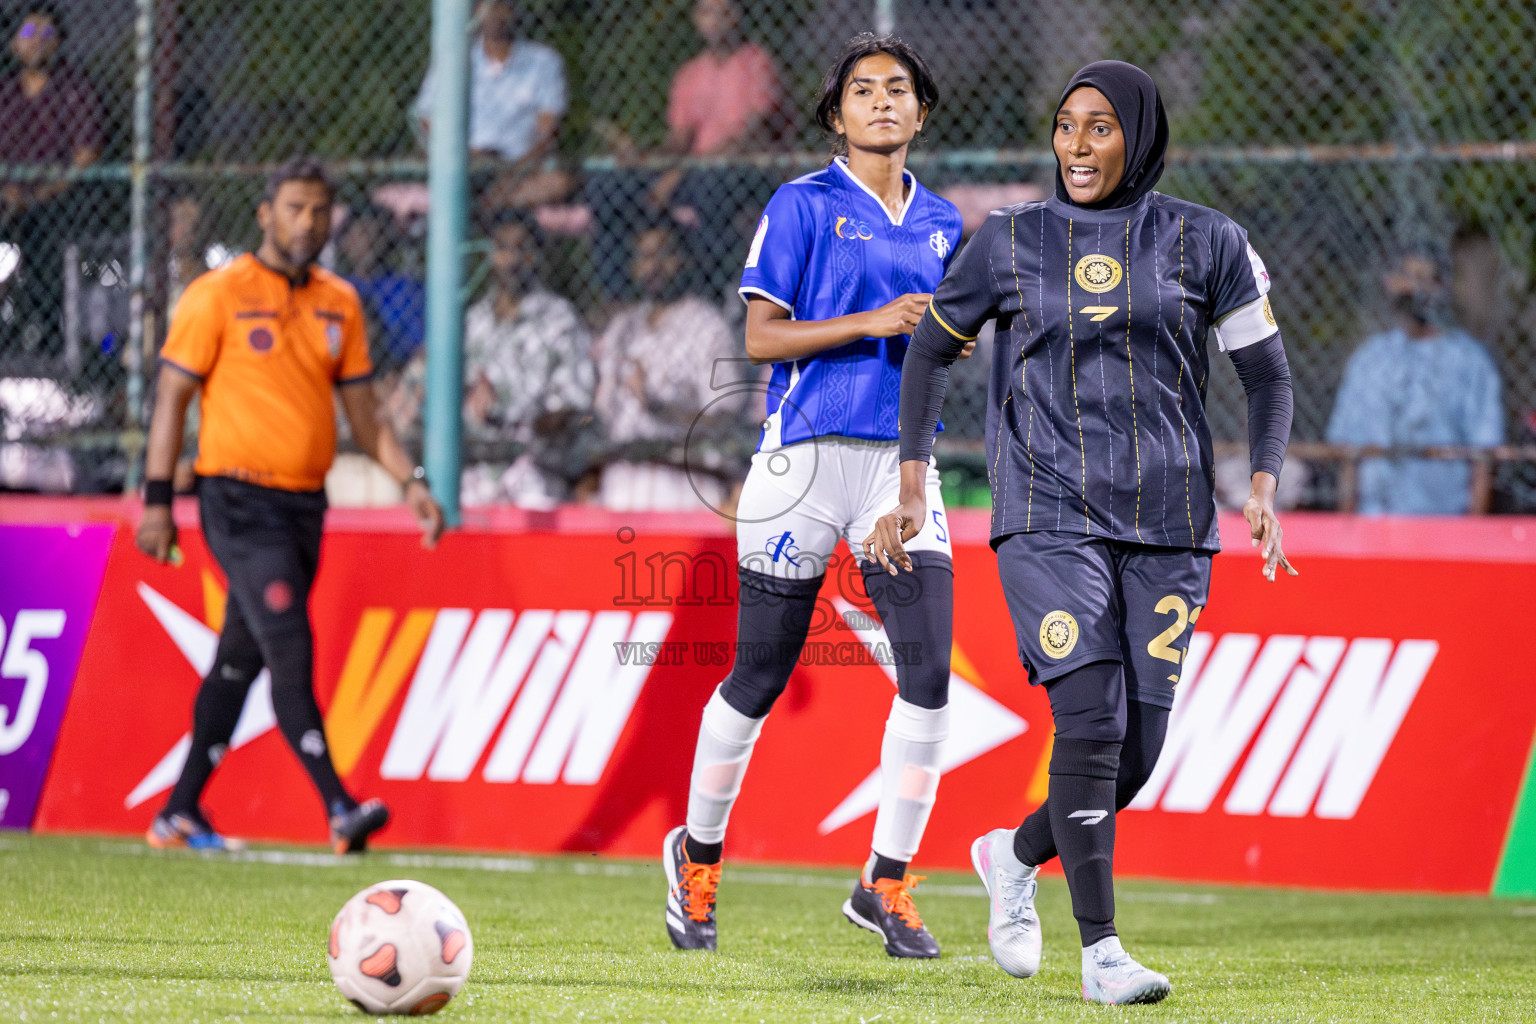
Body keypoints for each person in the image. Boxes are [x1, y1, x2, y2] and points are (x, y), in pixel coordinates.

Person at [867, 61, 1297, 1004]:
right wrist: (912, 481)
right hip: (1047, 512)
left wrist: (1261, 482)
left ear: (1138, 136)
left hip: (1173, 522)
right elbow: (932, 351)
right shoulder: (1011, 240)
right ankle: (1101, 952)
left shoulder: (1209, 240)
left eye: (1100, 128)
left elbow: (1267, 376)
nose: (1078, 145)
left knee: (1135, 749)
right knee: (1091, 717)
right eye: (1066, 125)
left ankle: (1011, 854)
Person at [663, 35, 965, 960]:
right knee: (761, 673)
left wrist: (913, 480)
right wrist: (871, 323)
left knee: (929, 673)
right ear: (836, 115)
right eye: (863, 91)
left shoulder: (947, 223)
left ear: (921, 113)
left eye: (899, 90)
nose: (883, 102)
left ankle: (887, 882)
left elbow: (940, 362)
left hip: (896, 468)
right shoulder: (801, 204)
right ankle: (696, 857)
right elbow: (758, 339)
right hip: (799, 457)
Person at [135, 158, 445, 853]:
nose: (310, 221)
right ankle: (338, 805)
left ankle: (178, 811)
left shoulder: (340, 301)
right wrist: (157, 500)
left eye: (321, 210)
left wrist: (412, 481)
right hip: (238, 500)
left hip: (306, 505)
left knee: (238, 661)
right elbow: (172, 401)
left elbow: (366, 418)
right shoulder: (218, 294)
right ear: (265, 213)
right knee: (289, 643)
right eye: (296, 207)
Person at [388, 211, 594, 508]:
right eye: (502, 247)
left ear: (535, 257)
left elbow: (575, 401)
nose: (510, 259)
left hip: (534, 471)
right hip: (473, 471)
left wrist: (519, 418)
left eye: (521, 248)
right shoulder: (473, 322)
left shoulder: (559, 319)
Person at [1325, 252, 1503, 514]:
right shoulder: (1369, 360)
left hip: (1443, 525)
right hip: (1375, 522)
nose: (1415, 290)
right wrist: (1347, 531)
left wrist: (1471, 538)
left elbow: (1483, 459)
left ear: (1442, 287)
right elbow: (1349, 455)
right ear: (1391, 284)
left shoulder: (1470, 361)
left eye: (1425, 279)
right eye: (1407, 279)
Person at [593, 220, 745, 511]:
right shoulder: (621, 330)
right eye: (644, 257)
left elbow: (724, 421)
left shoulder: (709, 328)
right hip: (621, 484)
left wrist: (660, 408)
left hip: (683, 485)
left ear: (684, 261)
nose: (653, 266)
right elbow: (603, 417)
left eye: (664, 255)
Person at [0, 2, 103, 348]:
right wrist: (10, 192)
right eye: (28, 32)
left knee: (45, 238)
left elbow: (85, 157)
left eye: (46, 33)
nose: (37, 41)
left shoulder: (73, 88)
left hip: (57, 202)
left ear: (59, 42)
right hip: (6, 197)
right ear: (14, 42)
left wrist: (38, 195)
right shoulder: (5, 92)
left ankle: (46, 334)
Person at [413, 0, 569, 209]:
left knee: (559, 183)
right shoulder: (454, 60)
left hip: (518, 167)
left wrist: (515, 173)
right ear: (475, 12)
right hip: (464, 164)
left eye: (500, 5)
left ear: (514, 10)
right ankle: (486, 206)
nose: (493, 14)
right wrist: (461, 152)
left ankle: (484, 207)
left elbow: (547, 133)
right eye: (484, 6)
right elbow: (425, 118)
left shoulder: (543, 61)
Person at [336, 204, 425, 369]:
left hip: (400, 371)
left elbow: (421, 347)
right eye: (360, 233)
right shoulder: (336, 287)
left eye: (375, 232)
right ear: (345, 242)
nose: (367, 241)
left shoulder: (408, 289)